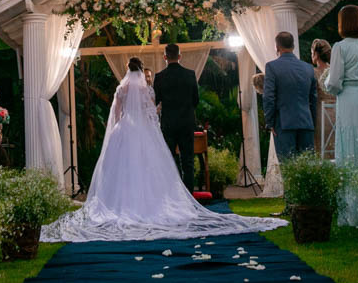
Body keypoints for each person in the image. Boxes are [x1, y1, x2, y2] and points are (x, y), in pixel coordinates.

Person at [41, 57, 285, 242]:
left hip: (124, 131)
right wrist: (152, 129)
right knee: (149, 169)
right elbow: (150, 113)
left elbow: (115, 116)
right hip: (144, 132)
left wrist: (118, 128)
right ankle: (150, 203)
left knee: (121, 170)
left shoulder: (121, 89)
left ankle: (120, 204)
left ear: (127, 70)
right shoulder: (147, 89)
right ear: (140, 70)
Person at [323, 5, 358, 226]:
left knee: (352, 149)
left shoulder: (340, 47)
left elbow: (335, 81)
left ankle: (354, 213)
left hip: (351, 96)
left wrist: (326, 85)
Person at [262, 31, 317, 160]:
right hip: (306, 123)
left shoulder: (272, 67)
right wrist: (312, 122)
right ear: (293, 46)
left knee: (288, 169)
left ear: (277, 47)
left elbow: (269, 97)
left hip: (283, 123)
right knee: (307, 168)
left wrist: (270, 123)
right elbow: (313, 98)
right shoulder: (308, 68)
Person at [152, 43, 199, 189]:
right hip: (186, 123)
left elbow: (156, 100)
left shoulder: (159, 77)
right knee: (188, 162)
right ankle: (189, 197)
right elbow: (195, 100)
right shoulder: (190, 74)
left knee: (169, 161)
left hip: (168, 124)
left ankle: (172, 195)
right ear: (180, 56)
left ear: (165, 57)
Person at [310, 39, 336, 155]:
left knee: (321, 148)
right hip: (338, 114)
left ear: (315, 54)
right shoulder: (336, 71)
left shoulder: (312, 72)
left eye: (311, 53)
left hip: (321, 115)